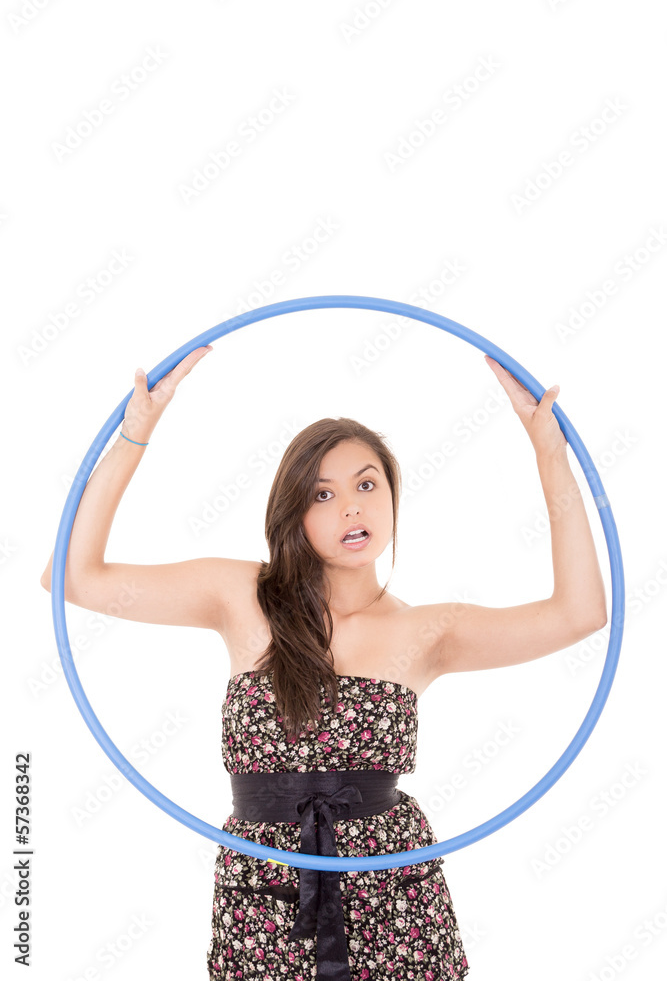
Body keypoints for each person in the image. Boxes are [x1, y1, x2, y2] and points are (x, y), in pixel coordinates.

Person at [40, 345, 607, 980]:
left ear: (392, 497)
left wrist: (549, 452)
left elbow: (579, 613)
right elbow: (70, 576)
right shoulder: (243, 597)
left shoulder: (426, 631)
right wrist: (135, 433)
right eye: (323, 494)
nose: (351, 507)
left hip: (395, 900)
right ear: (295, 512)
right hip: (263, 898)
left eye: (366, 484)